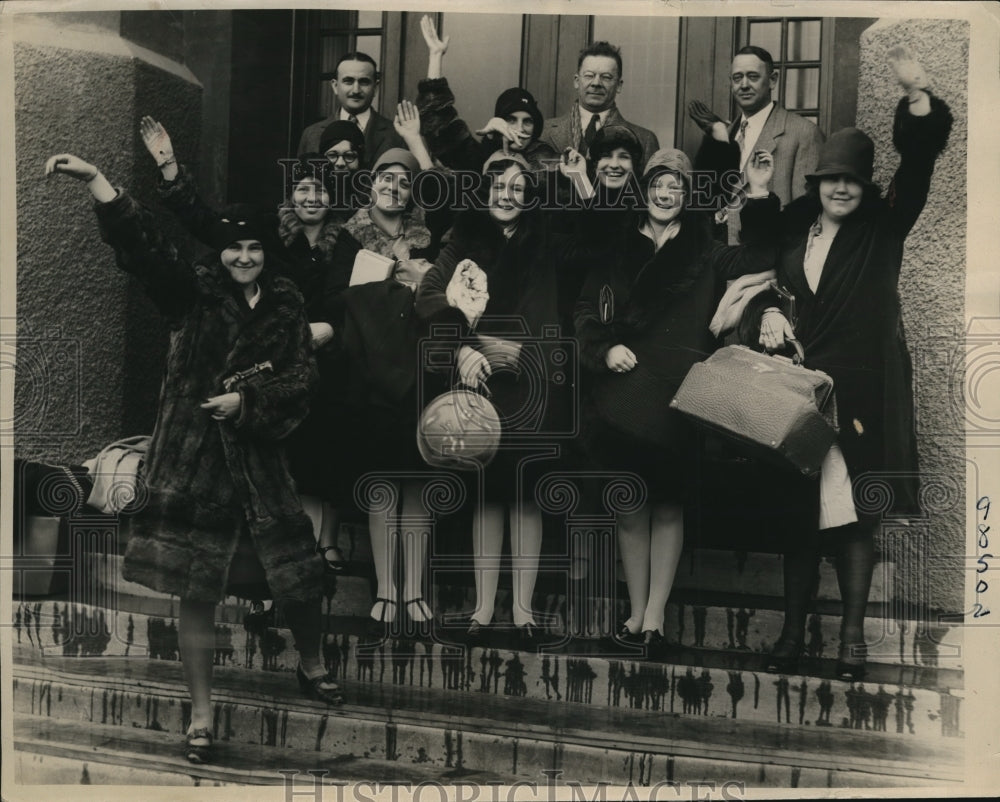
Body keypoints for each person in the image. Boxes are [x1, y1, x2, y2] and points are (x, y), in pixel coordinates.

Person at [45, 152, 345, 764]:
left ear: (267, 252)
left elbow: (302, 383)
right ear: (220, 252)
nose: (244, 257)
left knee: (299, 578)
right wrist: (97, 182)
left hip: (260, 473)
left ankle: (312, 663)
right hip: (193, 471)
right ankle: (202, 715)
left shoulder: (287, 305)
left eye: (254, 248)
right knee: (196, 594)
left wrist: (248, 402)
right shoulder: (191, 293)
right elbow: (142, 245)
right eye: (234, 248)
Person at [743, 47, 952, 680]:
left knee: (855, 516)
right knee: (797, 514)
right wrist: (766, 313)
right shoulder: (796, 231)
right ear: (816, 183)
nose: (840, 188)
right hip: (798, 394)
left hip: (858, 395)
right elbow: (758, 275)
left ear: (865, 188)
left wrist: (918, 99)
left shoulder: (882, 229)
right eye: (830, 178)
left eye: (852, 181)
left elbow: (918, 164)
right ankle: (792, 635)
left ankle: (852, 642)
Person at [573, 147, 778, 655]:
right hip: (622, 389)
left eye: (676, 187)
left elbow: (758, 259)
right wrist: (603, 349)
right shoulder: (617, 243)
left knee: (667, 505)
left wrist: (758, 193)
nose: (665, 194)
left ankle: (655, 616)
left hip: (678, 394)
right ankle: (634, 610)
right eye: (658, 184)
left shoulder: (704, 249)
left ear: (687, 196)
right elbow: (584, 309)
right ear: (644, 190)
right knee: (629, 506)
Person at [416, 152, 579, 642]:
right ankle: (483, 609)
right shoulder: (463, 240)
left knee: (526, 496)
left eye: (518, 188)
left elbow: (567, 293)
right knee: (487, 496)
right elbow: (428, 297)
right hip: (481, 383)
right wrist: (460, 348)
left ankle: (524, 611)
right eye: (498, 187)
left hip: (533, 382)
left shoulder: (547, 238)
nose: (507, 196)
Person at [323, 145, 440, 626]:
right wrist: (388, 277)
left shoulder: (428, 236)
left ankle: (414, 590)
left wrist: (421, 278)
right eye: (385, 178)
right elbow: (333, 300)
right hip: (371, 371)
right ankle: (387, 590)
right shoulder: (349, 236)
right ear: (370, 185)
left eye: (404, 181)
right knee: (382, 485)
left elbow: (445, 297)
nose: (394, 188)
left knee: (418, 483)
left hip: (420, 370)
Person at [689, 45, 824, 243]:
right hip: (720, 256)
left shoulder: (803, 133)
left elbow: (805, 218)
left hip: (770, 257)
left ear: (772, 80)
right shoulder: (725, 134)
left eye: (753, 76)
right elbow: (707, 204)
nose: (744, 85)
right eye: (737, 78)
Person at [415, 15, 558, 174]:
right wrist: (435, 56)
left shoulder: (546, 161)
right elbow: (439, 127)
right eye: (511, 120)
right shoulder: (480, 159)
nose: (520, 128)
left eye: (527, 121)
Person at [540, 41, 659, 169]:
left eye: (606, 77)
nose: (596, 83)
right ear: (577, 81)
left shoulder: (645, 140)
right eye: (589, 76)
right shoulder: (544, 132)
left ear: (619, 85)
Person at [297, 52, 406, 166]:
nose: (356, 90)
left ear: (375, 88)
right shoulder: (311, 134)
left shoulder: (396, 135)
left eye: (364, 82)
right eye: (348, 81)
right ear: (335, 86)